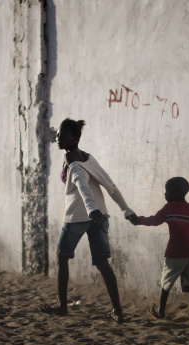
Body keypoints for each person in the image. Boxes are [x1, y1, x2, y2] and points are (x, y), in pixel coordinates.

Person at [40, 118, 136, 323]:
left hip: (78, 216)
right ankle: (117, 311)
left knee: (61, 257)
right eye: (57, 135)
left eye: (63, 135)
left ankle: (62, 307)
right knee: (102, 262)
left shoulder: (72, 163)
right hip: (100, 216)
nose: (58, 138)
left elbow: (81, 186)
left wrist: (91, 208)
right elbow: (110, 186)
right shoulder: (88, 158)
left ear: (74, 138)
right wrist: (125, 209)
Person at [129, 177, 189, 324]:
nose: (165, 194)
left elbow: (154, 220)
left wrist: (137, 220)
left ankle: (161, 311)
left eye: (167, 191)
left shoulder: (169, 208)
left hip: (176, 251)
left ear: (175, 193)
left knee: (166, 281)